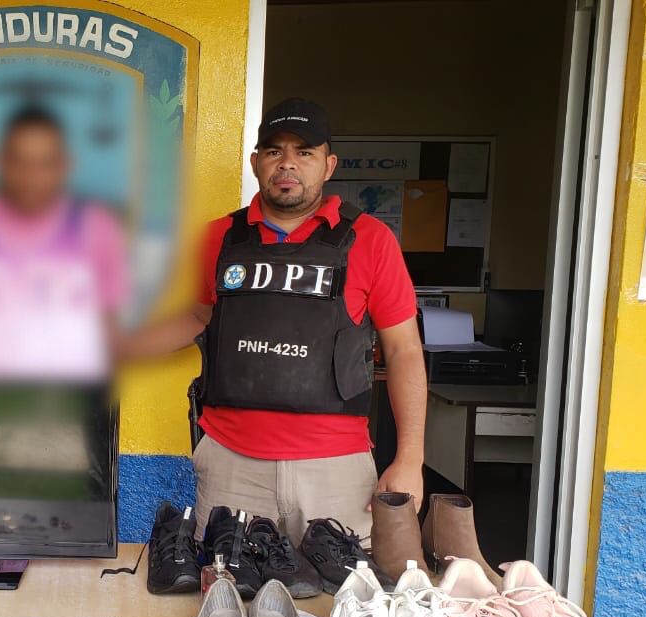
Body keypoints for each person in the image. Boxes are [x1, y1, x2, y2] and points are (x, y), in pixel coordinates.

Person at [120, 97, 425, 546]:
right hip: (231, 465)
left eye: (305, 152)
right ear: (256, 162)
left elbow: (404, 350)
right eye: (274, 151)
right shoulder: (220, 238)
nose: (288, 164)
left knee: (341, 588)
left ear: (328, 165)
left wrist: (410, 459)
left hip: (335, 470)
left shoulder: (371, 240)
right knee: (224, 585)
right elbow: (199, 315)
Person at [0, 106, 128, 380]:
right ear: (0, 162)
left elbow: (108, 334)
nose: (31, 177)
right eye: (19, 162)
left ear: (64, 165)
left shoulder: (96, 227)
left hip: (66, 394)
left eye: (45, 164)